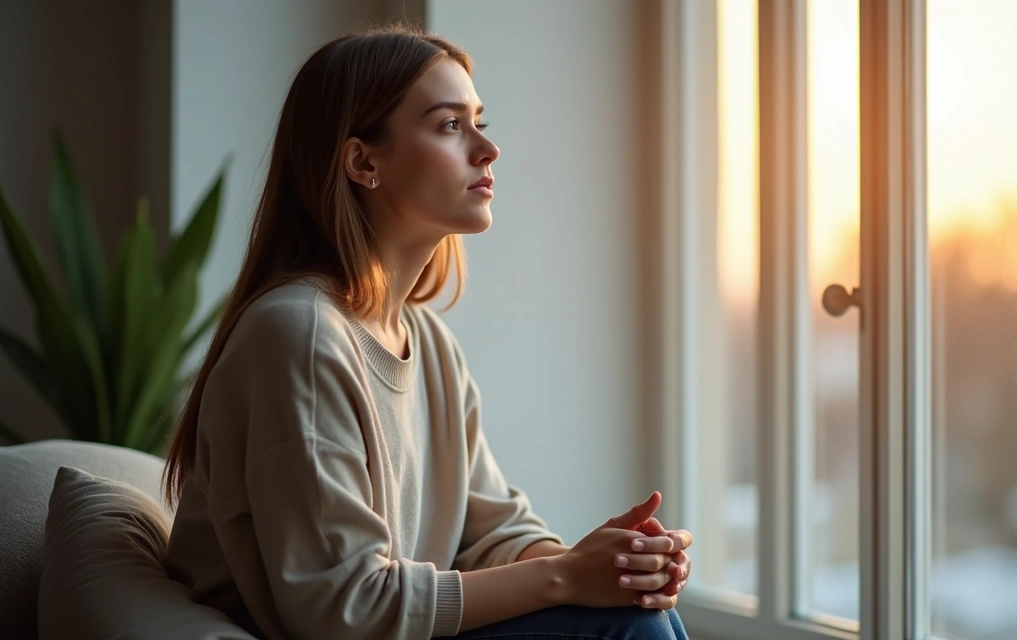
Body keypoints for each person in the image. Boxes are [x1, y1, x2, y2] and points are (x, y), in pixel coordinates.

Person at [160, 22, 693, 640]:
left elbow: (492, 532)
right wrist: (568, 579)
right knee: (632, 633)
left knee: (641, 613)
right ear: (363, 161)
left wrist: (613, 565)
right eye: (449, 125)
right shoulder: (299, 337)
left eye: (479, 123)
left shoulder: (430, 345)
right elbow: (343, 607)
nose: (487, 150)